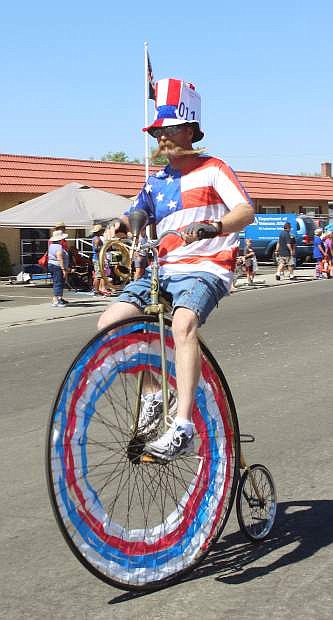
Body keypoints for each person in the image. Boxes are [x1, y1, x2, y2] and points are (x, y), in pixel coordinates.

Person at [98, 77, 255, 461]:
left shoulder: (214, 168)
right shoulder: (156, 181)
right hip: (164, 269)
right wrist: (118, 224)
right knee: (110, 324)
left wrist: (214, 227)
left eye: (168, 129)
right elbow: (136, 211)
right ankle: (153, 393)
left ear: (189, 129)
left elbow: (246, 211)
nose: (161, 138)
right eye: (157, 131)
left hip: (206, 266)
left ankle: (181, 425)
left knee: (183, 324)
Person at [47, 230, 70, 307]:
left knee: (57, 282)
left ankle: (58, 298)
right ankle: (57, 299)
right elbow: (59, 257)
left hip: (52, 264)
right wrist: (63, 269)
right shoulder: (58, 247)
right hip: (57, 266)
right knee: (59, 282)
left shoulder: (51, 246)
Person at [90, 224, 107, 295]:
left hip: (97, 258)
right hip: (97, 258)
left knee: (99, 274)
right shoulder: (97, 239)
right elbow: (97, 249)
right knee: (98, 275)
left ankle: (96, 290)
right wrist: (101, 259)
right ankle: (96, 291)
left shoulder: (95, 238)